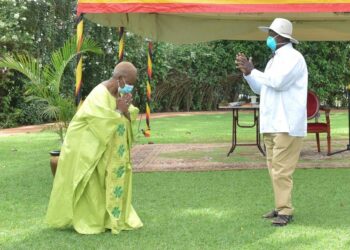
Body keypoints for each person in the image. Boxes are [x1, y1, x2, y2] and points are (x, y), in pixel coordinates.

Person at [46, 61, 143, 234]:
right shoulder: (99, 94)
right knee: (93, 184)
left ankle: (111, 218)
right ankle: (92, 220)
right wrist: (120, 111)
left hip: (112, 151)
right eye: (130, 84)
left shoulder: (118, 93)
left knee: (112, 182)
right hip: (89, 150)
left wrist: (125, 110)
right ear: (120, 79)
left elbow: (130, 112)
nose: (130, 88)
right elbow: (100, 121)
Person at [235, 18, 308, 226]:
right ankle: (280, 206)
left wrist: (254, 70)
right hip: (272, 123)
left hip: (287, 123)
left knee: (281, 169)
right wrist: (249, 73)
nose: (268, 38)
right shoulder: (274, 60)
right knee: (273, 168)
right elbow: (261, 88)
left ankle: (285, 210)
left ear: (280, 36)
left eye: (271, 34)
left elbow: (277, 82)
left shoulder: (294, 58)